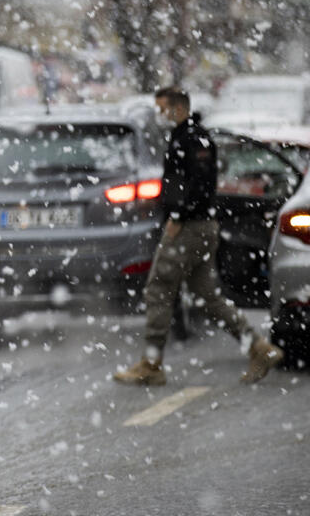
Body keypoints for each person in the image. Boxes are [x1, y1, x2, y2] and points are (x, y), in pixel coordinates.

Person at [113, 87, 284, 386]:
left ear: (177, 108)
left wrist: (178, 215)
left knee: (158, 288)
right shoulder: (191, 136)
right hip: (201, 226)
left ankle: (151, 363)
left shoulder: (190, 139)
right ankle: (258, 347)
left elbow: (196, 183)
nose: (159, 115)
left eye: (162, 109)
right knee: (207, 295)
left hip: (189, 228)